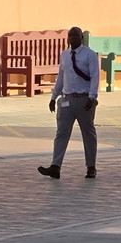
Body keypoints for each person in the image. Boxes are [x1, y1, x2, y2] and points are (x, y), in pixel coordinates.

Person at [38, 26, 100, 180]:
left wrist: (92, 97)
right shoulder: (65, 55)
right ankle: (55, 166)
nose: (72, 38)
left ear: (81, 38)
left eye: (75, 35)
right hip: (67, 99)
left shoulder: (89, 55)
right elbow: (61, 76)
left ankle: (91, 167)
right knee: (61, 133)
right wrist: (54, 97)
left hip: (84, 99)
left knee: (88, 134)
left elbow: (95, 77)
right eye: (70, 35)